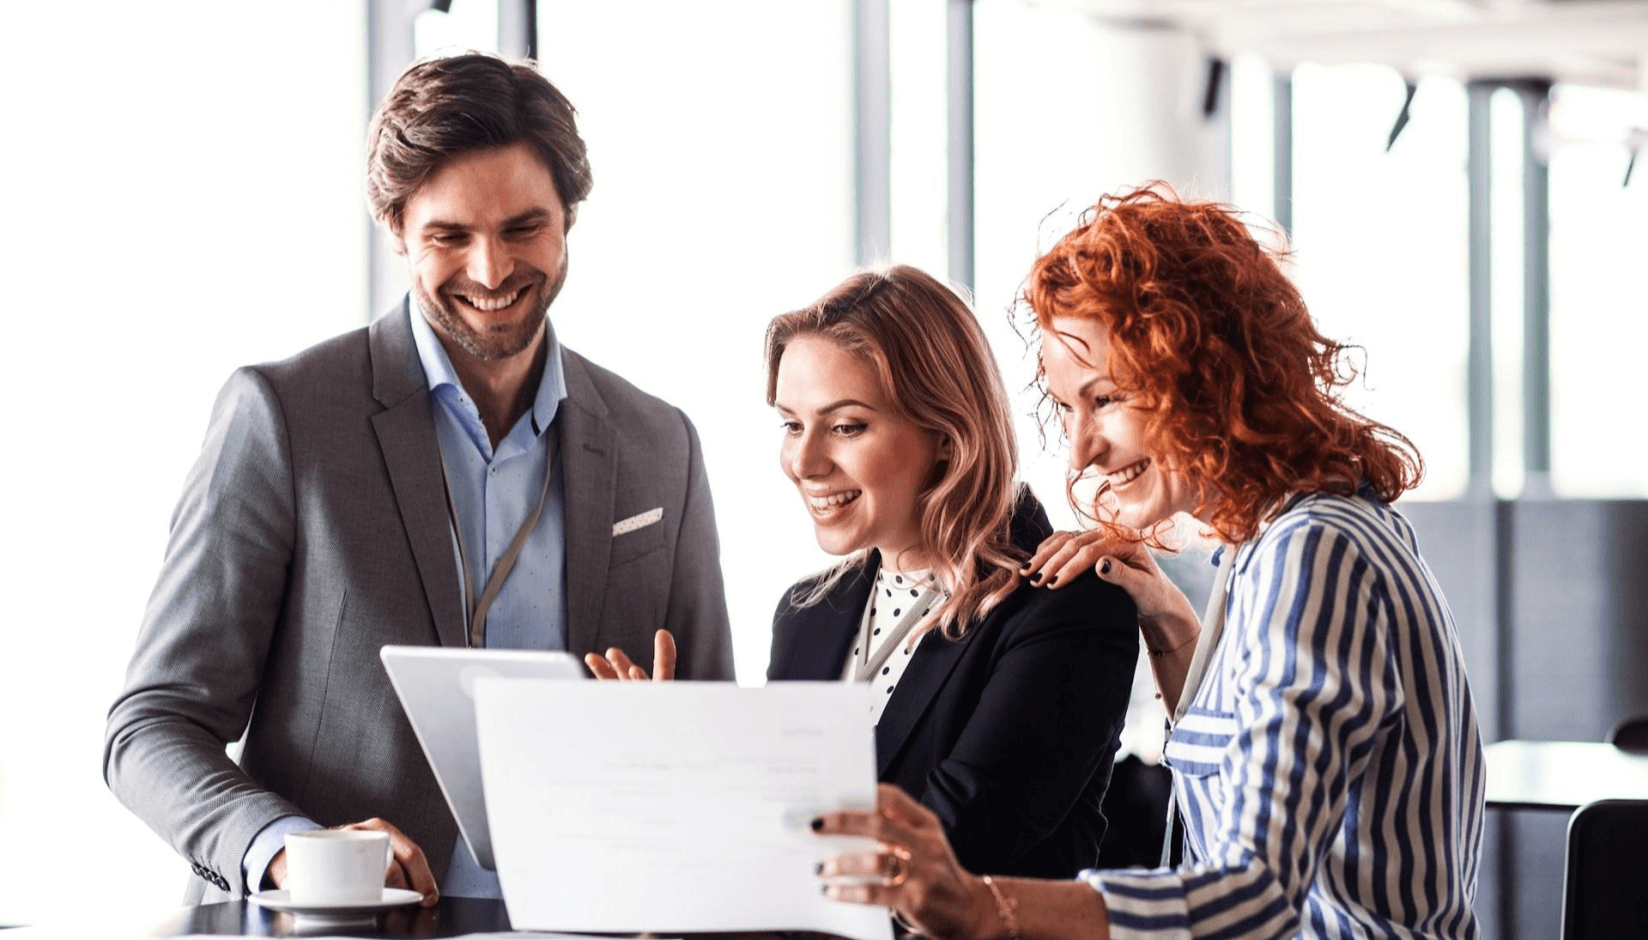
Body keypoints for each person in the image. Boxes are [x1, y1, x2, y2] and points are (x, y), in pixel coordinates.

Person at [103, 52, 734, 907]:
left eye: (523, 228)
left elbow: (716, 743)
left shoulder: (662, 444)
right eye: (449, 236)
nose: (490, 271)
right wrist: (292, 851)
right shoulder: (286, 417)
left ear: (569, 220)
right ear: (396, 228)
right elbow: (150, 729)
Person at [811, 189, 1484, 939]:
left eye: (1106, 399)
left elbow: (1251, 893)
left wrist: (978, 905)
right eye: (1069, 408)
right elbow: (1250, 785)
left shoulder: (1313, 555)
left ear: (1207, 376)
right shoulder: (1290, 541)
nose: (1081, 450)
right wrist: (1168, 620)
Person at [591, 265, 1139, 878]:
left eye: (846, 426)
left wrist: (715, 799)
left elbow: (948, 848)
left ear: (947, 434)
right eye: (792, 424)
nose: (804, 461)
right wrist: (677, 773)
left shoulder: (1065, 608)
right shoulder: (807, 616)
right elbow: (779, 856)